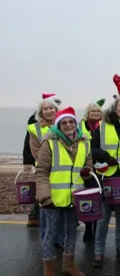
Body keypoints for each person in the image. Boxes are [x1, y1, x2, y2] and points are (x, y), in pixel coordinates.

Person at [35, 106, 93, 276]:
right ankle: (49, 271)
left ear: (76, 124)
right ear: (58, 126)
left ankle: (69, 265)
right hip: (52, 199)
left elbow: (88, 165)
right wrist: (45, 197)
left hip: (75, 198)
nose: (68, 125)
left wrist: (87, 171)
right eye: (64, 122)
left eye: (71, 122)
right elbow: (41, 172)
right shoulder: (49, 144)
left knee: (70, 232)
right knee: (50, 235)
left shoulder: (84, 143)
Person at [90, 76, 120, 267]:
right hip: (106, 176)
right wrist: (104, 156)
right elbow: (92, 149)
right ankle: (98, 251)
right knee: (103, 218)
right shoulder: (102, 126)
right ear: (115, 108)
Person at [24, 93, 61, 228]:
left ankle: (58, 238)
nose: (49, 111)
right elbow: (35, 152)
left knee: (60, 205)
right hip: (44, 172)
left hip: (62, 172)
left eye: (52, 108)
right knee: (46, 205)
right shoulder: (35, 128)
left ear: (57, 110)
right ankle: (47, 240)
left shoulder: (65, 123)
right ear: (41, 112)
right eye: (46, 109)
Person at [80, 98, 104, 243]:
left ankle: (96, 227)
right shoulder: (80, 126)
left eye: (98, 111)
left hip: (101, 167)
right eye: (92, 111)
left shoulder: (105, 126)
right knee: (86, 198)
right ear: (87, 113)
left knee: (97, 199)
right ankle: (88, 228)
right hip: (84, 167)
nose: (95, 113)